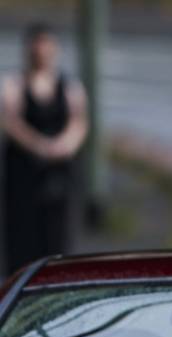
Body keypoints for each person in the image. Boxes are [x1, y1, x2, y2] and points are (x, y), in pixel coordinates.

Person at [1, 22, 88, 276]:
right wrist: (38, 146)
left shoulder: (70, 87)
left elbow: (79, 122)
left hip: (58, 174)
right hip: (24, 175)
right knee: (21, 239)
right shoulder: (14, 84)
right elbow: (11, 121)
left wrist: (63, 145)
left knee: (57, 240)